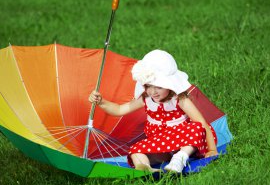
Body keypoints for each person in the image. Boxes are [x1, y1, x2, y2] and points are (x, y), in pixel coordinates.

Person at [89, 49, 218, 173]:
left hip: (185, 143)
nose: (153, 92)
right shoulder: (146, 99)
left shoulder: (179, 99)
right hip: (162, 145)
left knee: (196, 128)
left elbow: (201, 123)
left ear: (170, 84)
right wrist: (101, 102)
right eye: (148, 86)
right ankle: (144, 167)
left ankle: (180, 159)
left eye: (159, 87)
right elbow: (119, 109)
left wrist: (211, 149)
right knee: (135, 150)